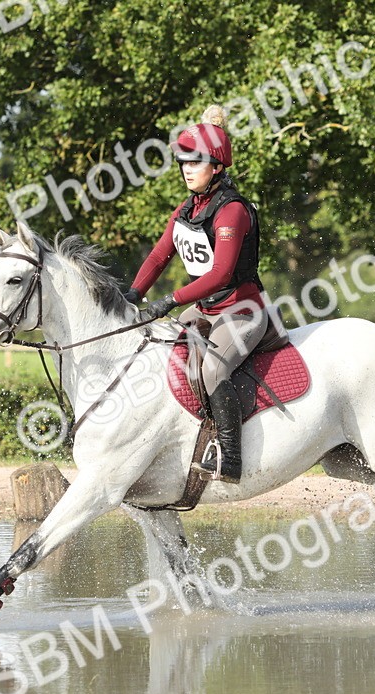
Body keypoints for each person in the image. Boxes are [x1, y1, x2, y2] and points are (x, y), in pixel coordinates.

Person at [125, 105, 267, 484]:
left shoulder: (231, 211)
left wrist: (170, 300)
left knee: (213, 368)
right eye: (183, 161)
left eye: (196, 161)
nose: (187, 168)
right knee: (156, 350)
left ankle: (229, 458)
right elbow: (158, 255)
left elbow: (221, 273)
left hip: (242, 311)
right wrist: (133, 295)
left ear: (217, 167)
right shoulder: (188, 208)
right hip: (204, 310)